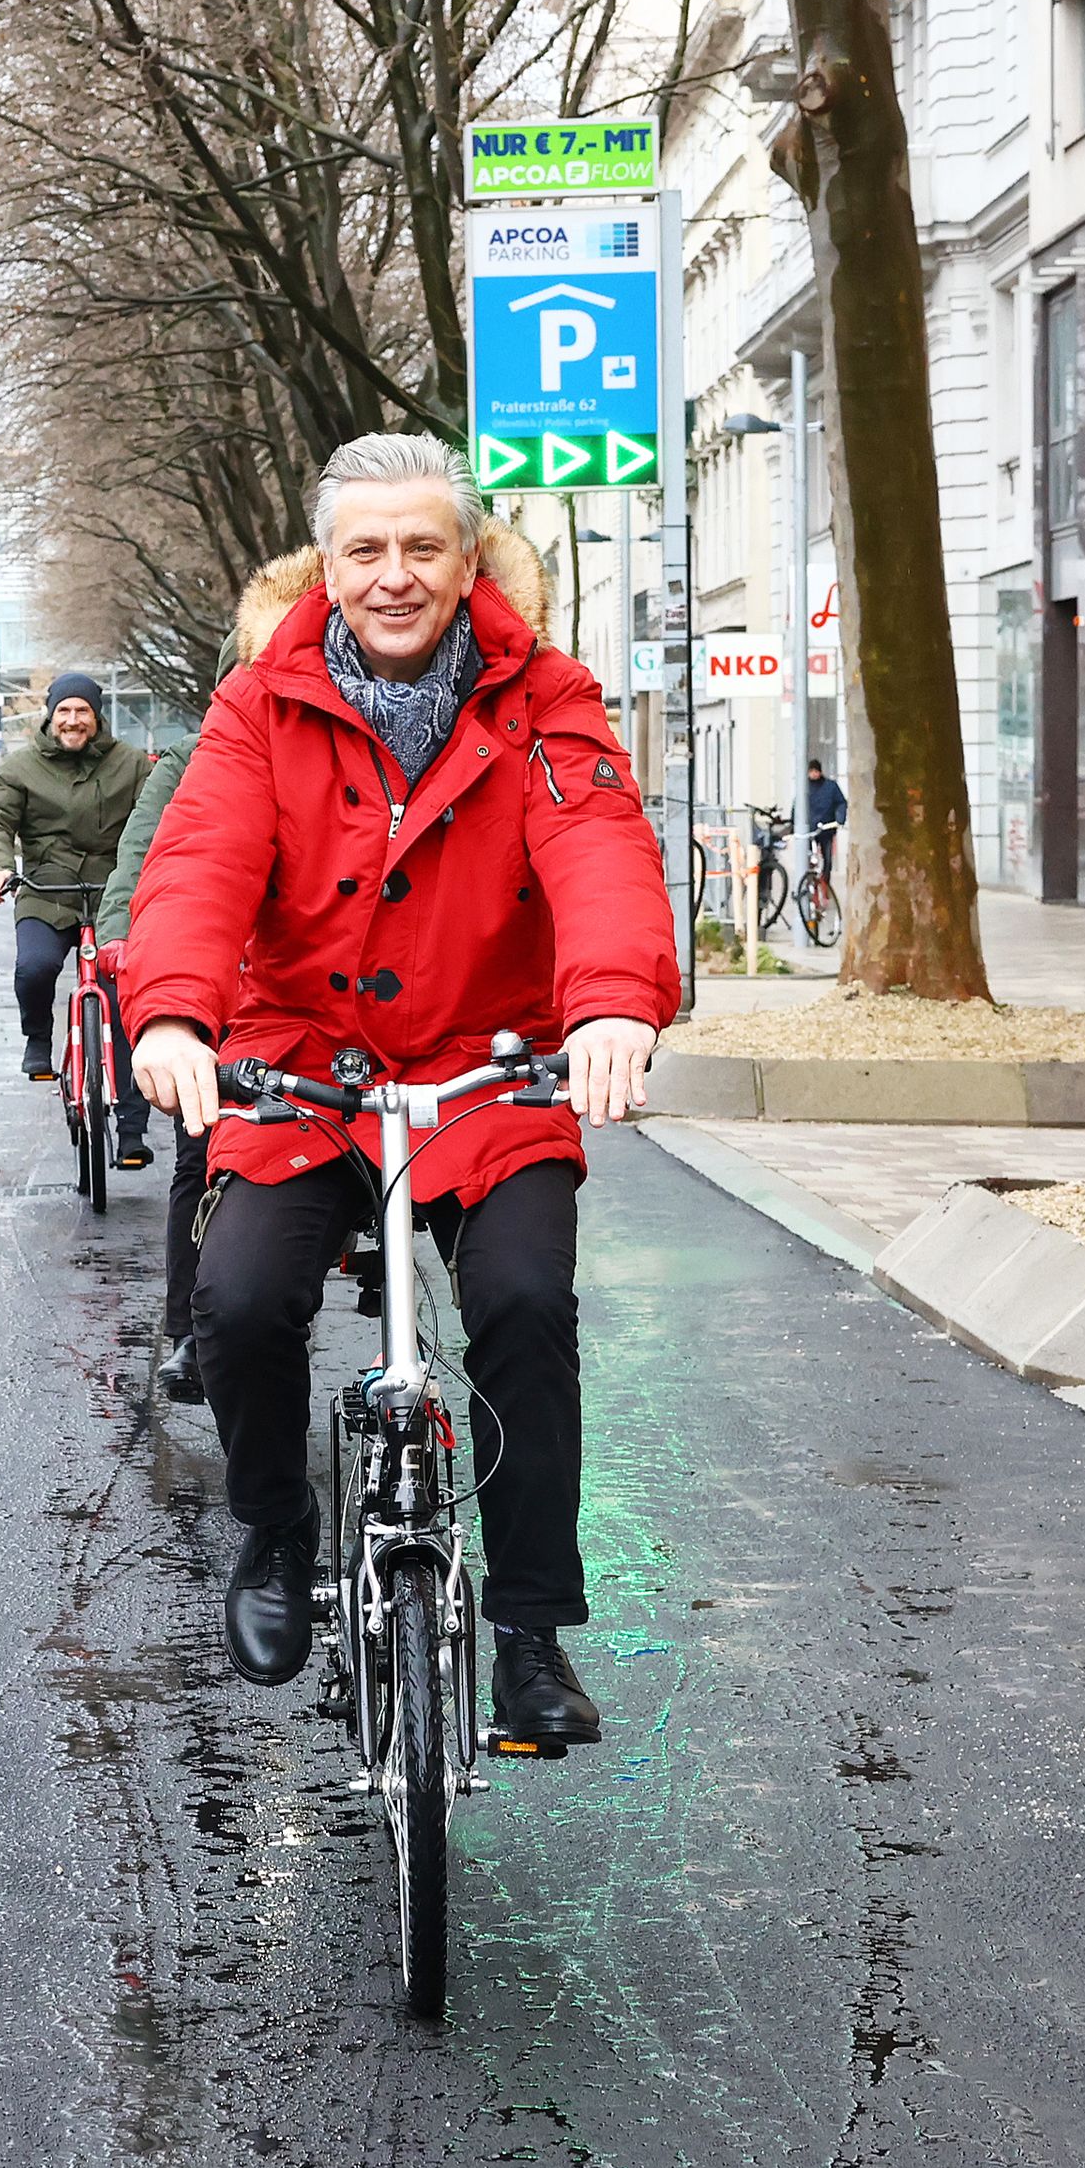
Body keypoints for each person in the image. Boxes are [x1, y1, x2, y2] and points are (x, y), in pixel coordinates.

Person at [125, 433, 679, 1754]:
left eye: (422, 546)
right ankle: (272, 1531)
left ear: (468, 557)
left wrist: (610, 996)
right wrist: (176, 1011)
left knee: (528, 1305)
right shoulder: (261, 703)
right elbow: (199, 862)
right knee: (242, 1299)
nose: (393, 575)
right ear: (328, 565)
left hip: (491, 1067)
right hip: (306, 1069)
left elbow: (597, 838)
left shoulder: (545, 693)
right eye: (364, 550)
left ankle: (531, 1632)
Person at [96, 574, 292, 1393]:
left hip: (316, 1001)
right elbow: (149, 863)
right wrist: (120, 943)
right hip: (222, 991)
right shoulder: (193, 760)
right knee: (201, 1154)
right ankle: (188, 1329)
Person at [0, 672, 149, 1151]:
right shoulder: (22, 766)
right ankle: (37, 1039)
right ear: (51, 715)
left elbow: (158, 819)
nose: (73, 721)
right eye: (64, 711)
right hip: (46, 890)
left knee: (125, 1001)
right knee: (35, 967)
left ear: (96, 716)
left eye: (83, 711)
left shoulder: (130, 764)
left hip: (114, 895)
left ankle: (132, 1128)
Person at [803, 757, 847, 889]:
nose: (814, 774)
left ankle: (825, 883)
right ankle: (810, 883)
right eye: (811, 771)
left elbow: (841, 802)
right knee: (808, 858)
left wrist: (840, 818)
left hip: (826, 829)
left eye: (816, 771)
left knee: (827, 859)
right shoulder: (805, 788)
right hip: (810, 830)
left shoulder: (830, 787)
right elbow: (797, 806)